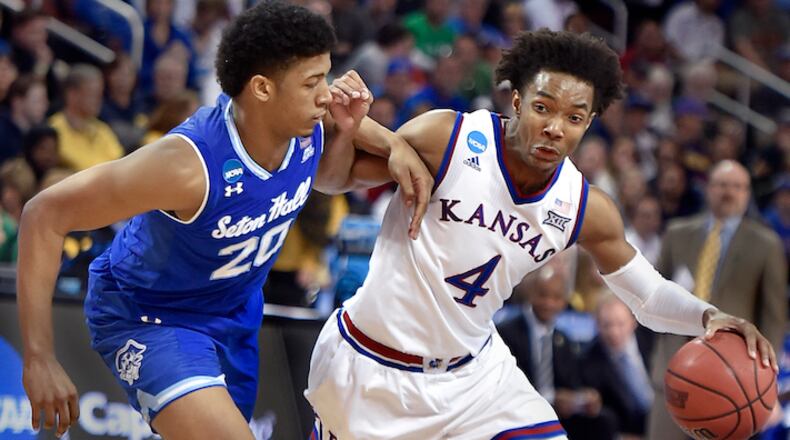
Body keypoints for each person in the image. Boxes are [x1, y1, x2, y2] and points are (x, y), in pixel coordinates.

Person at [305, 30, 779, 439]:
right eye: (542, 108)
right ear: (516, 101)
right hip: (371, 364)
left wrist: (710, 317)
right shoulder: (447, 137)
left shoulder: (583, 205)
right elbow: (333, 178)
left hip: (473, 377)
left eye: (573, 118)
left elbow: (647, 295)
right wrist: (347, 132)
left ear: (589, 123)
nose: (554, 128)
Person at [17, 3, 431, 439]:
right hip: (151, 315)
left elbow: (329, 176)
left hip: (234, 313)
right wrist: (39, 356)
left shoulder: (306, 126)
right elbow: (43, 215)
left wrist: (390, 143)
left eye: (326, 77)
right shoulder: (185, 165)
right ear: (262, 89)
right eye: (312, 83)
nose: (327, 95)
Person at [646, 160, 787, 440]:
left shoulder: (766, 243)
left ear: (747, 194)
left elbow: (774, 316)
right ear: (708, 189)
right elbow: (653, 293)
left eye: (737, 187)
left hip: (731, 378)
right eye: (722, 185)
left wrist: (766, 381)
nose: (729, 192)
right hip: (673, 369)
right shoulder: (676, 233)